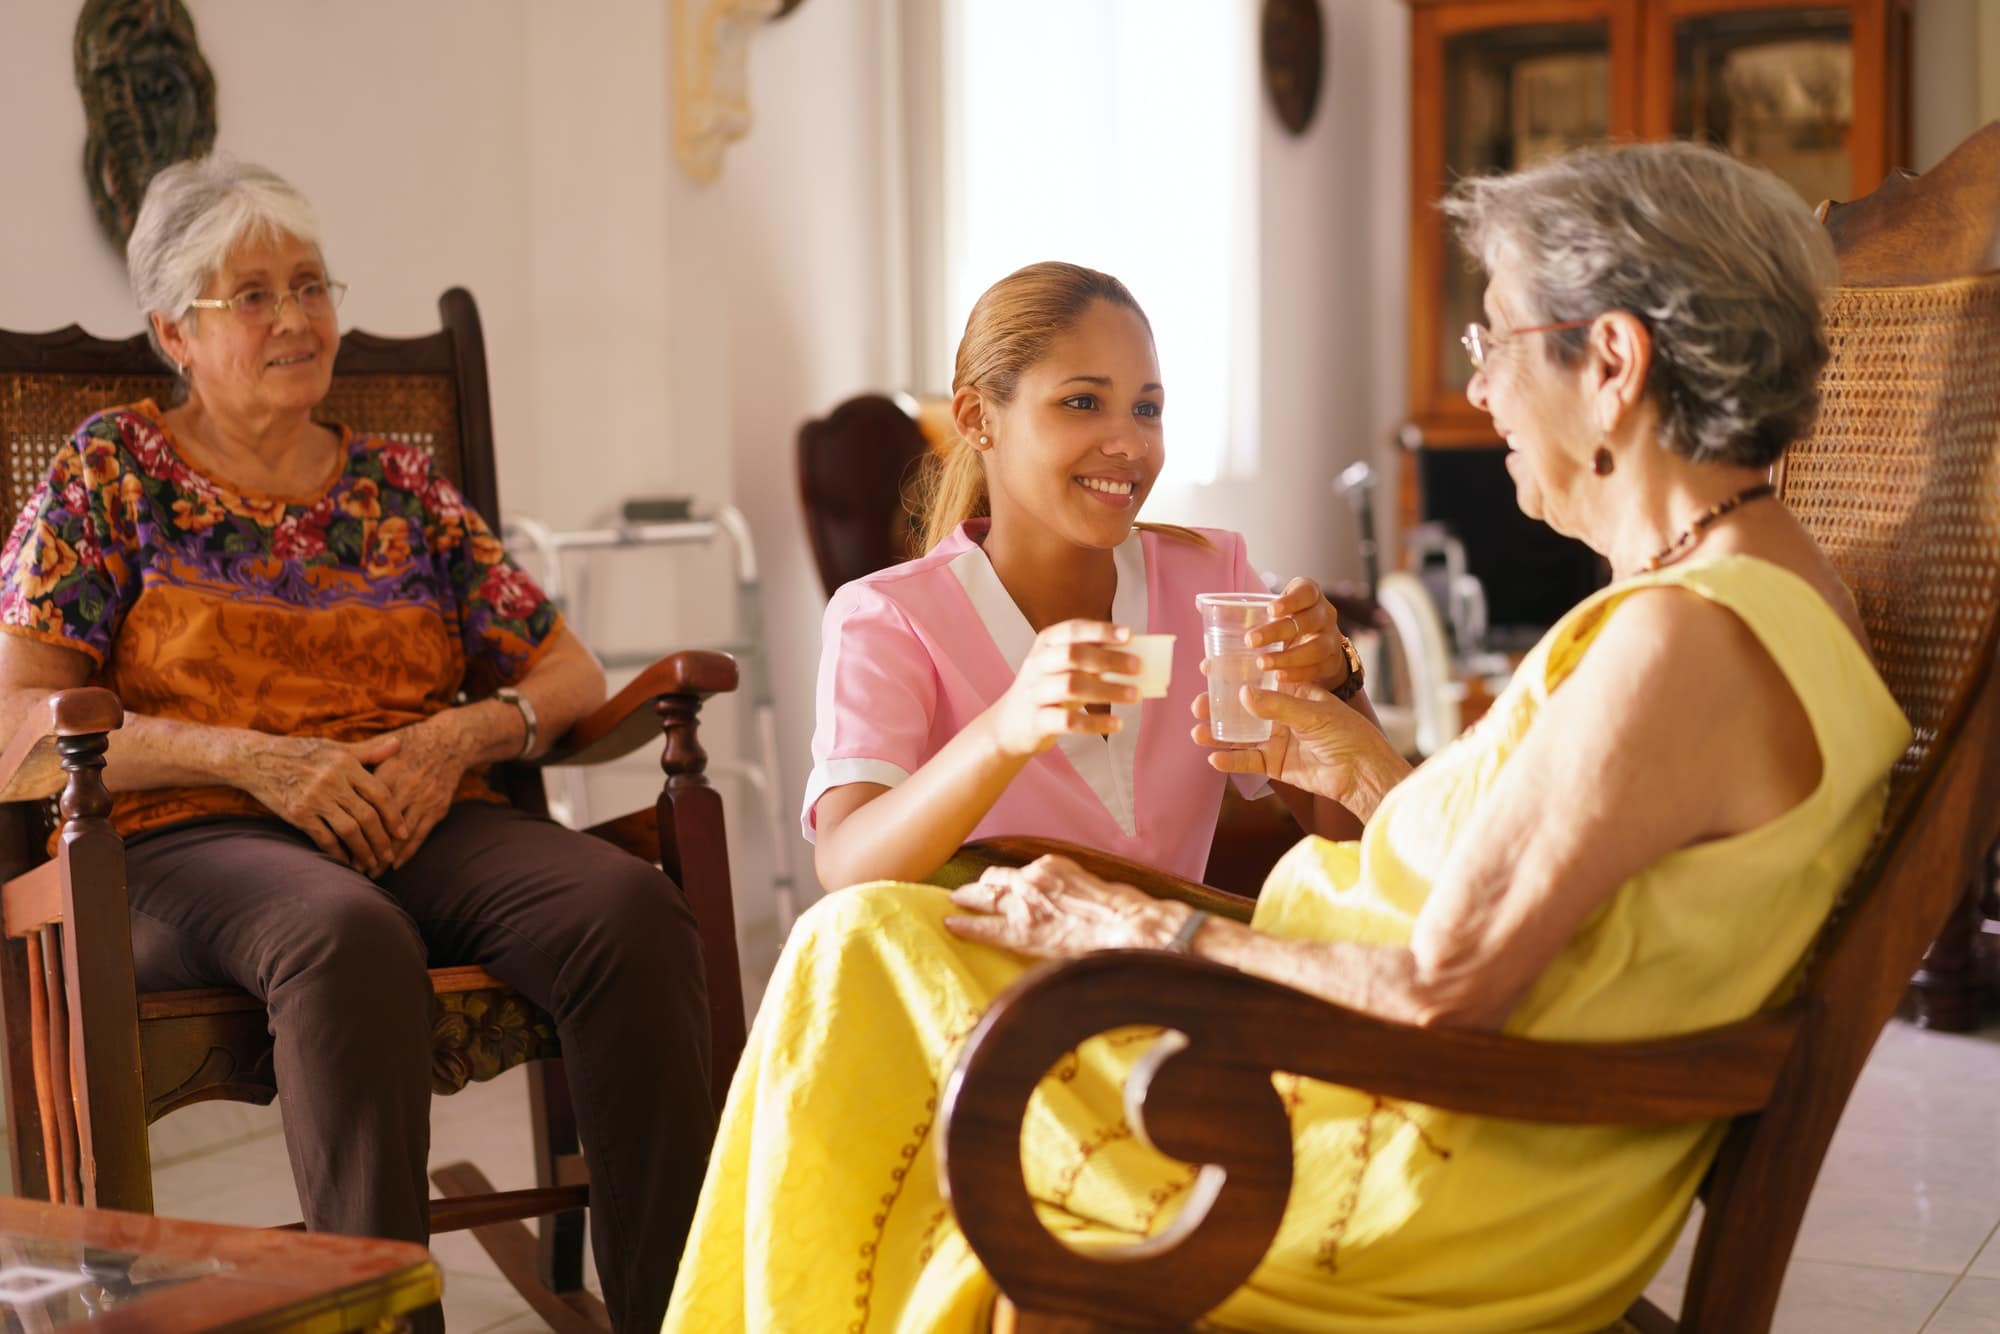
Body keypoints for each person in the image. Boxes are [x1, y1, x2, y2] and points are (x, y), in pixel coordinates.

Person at [663, 142, 1912, 1332]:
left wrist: (1147, 931)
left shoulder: (1677, 642)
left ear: (1613, 364)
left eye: (1493, 339)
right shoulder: (1752, 598)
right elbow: (1546, 880)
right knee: (869, 935)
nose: (1476, 386)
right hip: (1397, 1105)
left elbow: (1437, 988)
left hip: (1406, 1171)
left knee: (858, 948)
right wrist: (1354, 763)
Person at [0, 156, 709, 1332]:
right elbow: (19, 726)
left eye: (311, 283)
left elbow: (567, 670)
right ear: (176, 330)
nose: (298, 316)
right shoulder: (103, 476)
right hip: (194, 839)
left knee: (626, 910)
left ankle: (680, 1310)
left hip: (422, 809)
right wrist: (250, 757)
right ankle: (382, 1320)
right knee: (343, 933)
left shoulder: (399, 488)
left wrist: (459, 736)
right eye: (256, 294)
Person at [806, 261, 1368, 891]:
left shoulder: (1215, 580)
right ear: (976, 418)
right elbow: (846, 868)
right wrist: (1005, 728)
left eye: (1146, 409)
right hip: (981, 985)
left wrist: (1338, 686)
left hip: (1169, 976)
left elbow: (1358, 851)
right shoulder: (888, 617)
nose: (1129, 443)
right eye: (1082, 402)